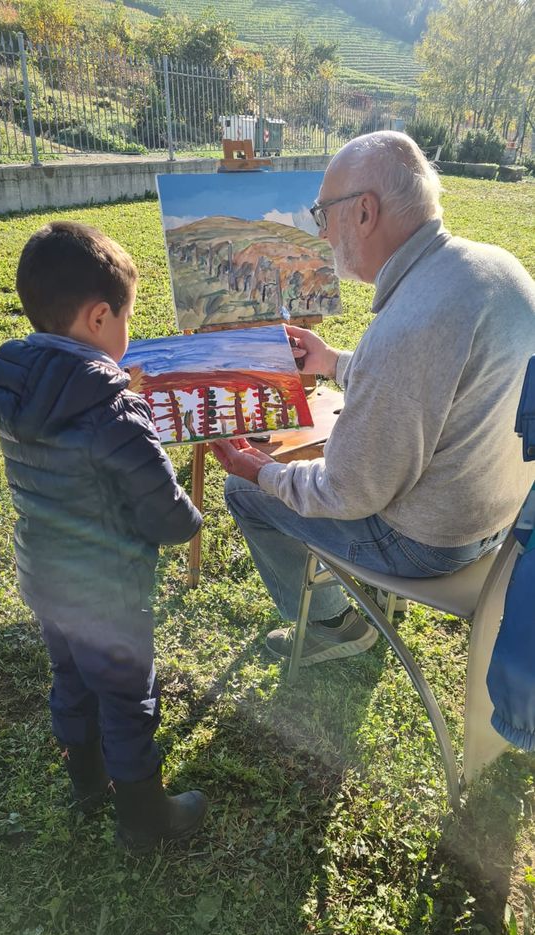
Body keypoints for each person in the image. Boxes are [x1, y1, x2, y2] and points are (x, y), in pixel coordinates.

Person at [210, 130, 535, 668]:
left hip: (434, 544)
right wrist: (334, 362)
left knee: (244, 494)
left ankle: (332, 627)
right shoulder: (497, 265)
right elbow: (435, 382)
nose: (321, 231)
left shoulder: (407, 327)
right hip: (507, 520)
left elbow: (345, 494)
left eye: (323, 213)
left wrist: (259, 470)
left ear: (364, 212)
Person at [0, 221, 207, 854]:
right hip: (108, 590)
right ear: (101, 316)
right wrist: (192, 521)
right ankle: (143, 816)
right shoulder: (114, 413)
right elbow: (163, 510)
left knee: (70, 676)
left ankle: (85, 781)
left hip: (45, 577)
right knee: (127, 693)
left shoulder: (16, 382)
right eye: (127, 318)